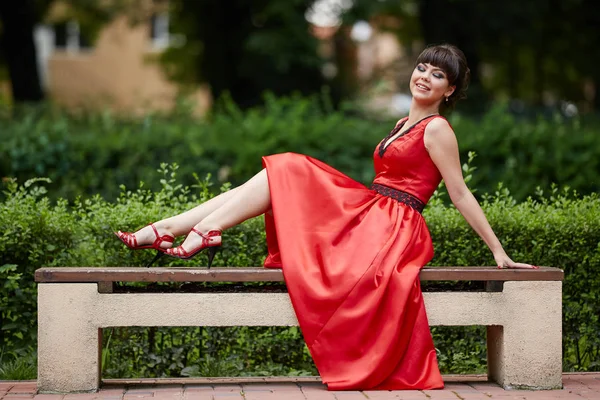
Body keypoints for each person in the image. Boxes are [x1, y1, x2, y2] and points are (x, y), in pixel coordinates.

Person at [116, 43, 536, 390]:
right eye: (421, 67)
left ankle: (186, 230)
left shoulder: (437, 130)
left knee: (290, 167)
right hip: (373, 212)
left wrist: (498, 251)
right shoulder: (400, 122)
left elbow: (459, 193)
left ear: (450, 90)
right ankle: (175, 227)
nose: (424, 76)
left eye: (437, 75)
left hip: (393, 226)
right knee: (274, 175)